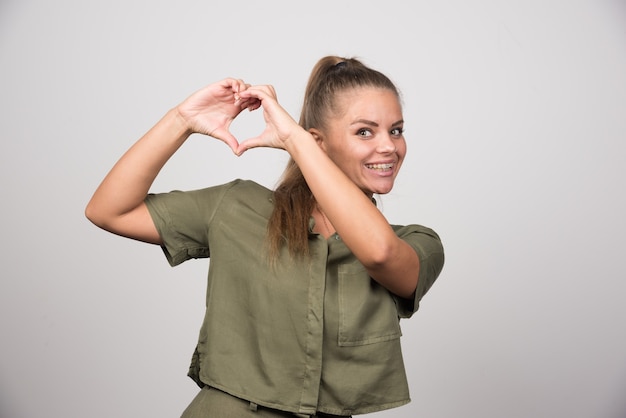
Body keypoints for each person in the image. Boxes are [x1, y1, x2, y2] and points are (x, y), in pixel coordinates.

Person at [85, 55, 445, 417]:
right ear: (318, 142)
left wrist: (296, 141)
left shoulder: (418, 244)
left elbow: (379, 254)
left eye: (396, 130)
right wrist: (182, 120)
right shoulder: (238, 207)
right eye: (365, 131)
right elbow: (108, 210)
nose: (389, 146)